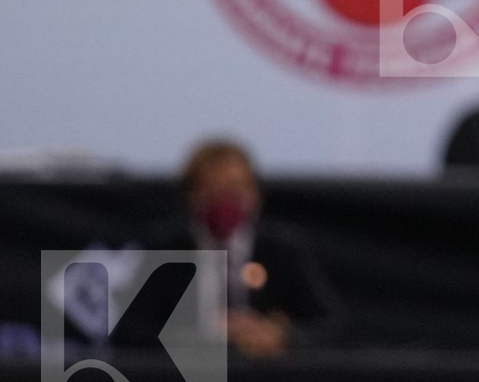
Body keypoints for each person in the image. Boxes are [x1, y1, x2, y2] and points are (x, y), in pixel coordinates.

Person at [146, 139, 343, 356]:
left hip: (263, 378)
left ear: (255, 194)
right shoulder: (166, 248)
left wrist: (281, 335)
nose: (224, 202)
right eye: (212, 191)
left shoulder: (281, 249)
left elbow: (332, 325)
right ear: (191, 196)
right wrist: (197, 335)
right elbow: (132, 331)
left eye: (234, 190)